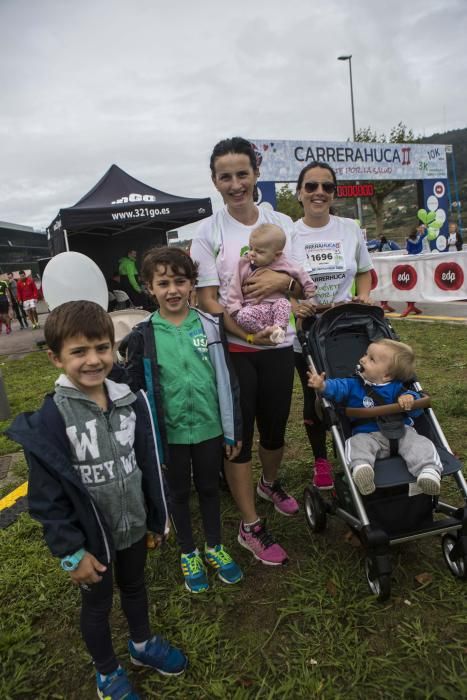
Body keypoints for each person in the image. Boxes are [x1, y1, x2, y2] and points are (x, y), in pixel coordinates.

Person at [7, 301, 188, 699]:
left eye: (102, 348)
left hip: (134, 526)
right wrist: (71, 553)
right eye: (79, 351)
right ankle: (106, 671)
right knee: (98, 606)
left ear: (113, 347)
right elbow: (46, 499)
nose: (94, 360)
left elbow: (148, 464)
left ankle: (141, 645)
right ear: (55, 357)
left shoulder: (130, 401)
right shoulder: (52, 418)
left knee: (136, 586)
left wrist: (157, 519)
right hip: (92, 542)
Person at [191, 136, 301, 568]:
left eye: (242, 174)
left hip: (278, 344)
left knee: (274, 427)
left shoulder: (282, 222)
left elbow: (298, 281)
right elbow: (207, 297)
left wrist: (282, 286)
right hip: (235, 348)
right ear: (215, 181)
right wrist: (245, 331)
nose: (235, 184)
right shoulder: (209, 231)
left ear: (256, 174)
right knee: (239, 436)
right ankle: (250, 525)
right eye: (226, 177)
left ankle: (269, 484)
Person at [125, 246, 244, 593]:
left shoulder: (210, 325)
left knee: (208, 488)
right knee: (178, 493)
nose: (172, 290)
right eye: (163, 283)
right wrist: (147, 442)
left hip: (209, 428)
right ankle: (188, 552)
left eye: (180, 281)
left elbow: (227, 380)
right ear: (149, 287)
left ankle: (214, 546)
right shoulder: (142, 333)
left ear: (193, 283)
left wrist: (231, 429)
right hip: (170, 435)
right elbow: (136, 389)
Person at [291, 161, 373, 490]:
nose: (319, 192)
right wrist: (295, 304)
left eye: (327, 187)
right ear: (299, 193)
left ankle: (357, 452)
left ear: (334, 193)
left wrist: (364, 297)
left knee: (357, 391)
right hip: (308, 331)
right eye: (311, 186)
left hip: (347, 328)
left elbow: (364, 271)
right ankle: (321, 460)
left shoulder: (349, 229)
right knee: (317, 398)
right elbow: (277, 282)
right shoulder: (289, 234)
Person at [307, 338, 443, 496]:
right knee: (356, 443)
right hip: (368, 435)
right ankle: (362, 469)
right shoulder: (352, 384)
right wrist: (323, 385)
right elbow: (336, 387)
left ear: (386, 375)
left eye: (371, 359)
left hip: (402, 432)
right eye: (366, 354)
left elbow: (416, 411)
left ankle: (428, 471)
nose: (362, 359)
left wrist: (410, 399)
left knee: (420, 443)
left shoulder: (398, 389)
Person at [226, 223, 316, 344]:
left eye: (259, 251)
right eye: (251, 248)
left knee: (284, 303)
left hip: (275, 306)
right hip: (254, 308)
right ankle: (268, 332)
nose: (252, 253)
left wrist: (309, 287)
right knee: (243, 316)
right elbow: (234, 287)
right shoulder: (244, 264)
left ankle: (280, 329)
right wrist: (234, 307)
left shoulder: (284, 263)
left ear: (276, 255)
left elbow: (300, 273)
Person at [400, 225, 426, 317]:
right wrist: (423, 229)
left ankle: (411, 303)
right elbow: (425, 234)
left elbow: (407, 249)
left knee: (412, 278)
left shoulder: (408, 240)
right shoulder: (420, 237)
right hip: (419, 259)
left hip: (411, 260)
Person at [377, 237, 400, 313]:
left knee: (382, 283)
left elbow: (378, 252)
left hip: (382, 267)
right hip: (391, 266)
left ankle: (384, 303)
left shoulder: (380, 245)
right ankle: (385, 303)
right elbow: (398, 249)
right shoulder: (391, 243)